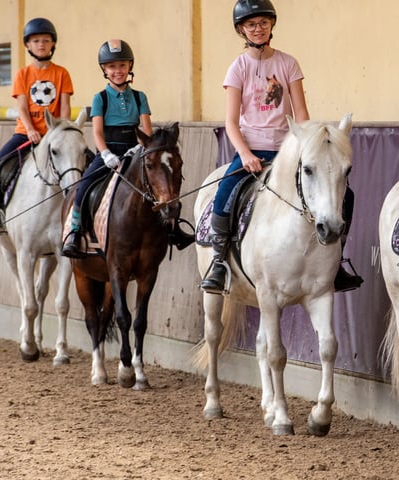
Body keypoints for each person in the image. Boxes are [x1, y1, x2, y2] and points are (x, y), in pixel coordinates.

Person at [200, 0, 363, 294]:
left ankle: (334, 262)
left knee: (345, 195)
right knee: (224, 193)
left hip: (288, 152)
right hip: (252, 153)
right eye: (251, 25)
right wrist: (246, 155)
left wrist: (306, 148)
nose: (258, 29)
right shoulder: (238, 68)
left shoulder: (289, 64)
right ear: (242, 30)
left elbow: (301, 115)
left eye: (263, 23)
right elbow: (231, 124)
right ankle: (219, 262)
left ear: (272, 25)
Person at [61, 39, 194, 257]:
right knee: (84, 185)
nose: (118, 71)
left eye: (122, 65)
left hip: (135, 150)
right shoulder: (100, 98)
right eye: (112, 66)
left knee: (164, 183)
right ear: (104, 69)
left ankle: (173, 229)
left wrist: (142, 149)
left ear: (130, 66)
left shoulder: (140, 96)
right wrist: (105, 154)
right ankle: (75, 231)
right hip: (108, 151)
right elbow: (97, 133)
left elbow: (148, 132)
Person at [0, 18, 73, 235]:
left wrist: (61, 130)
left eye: (46, 40)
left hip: (54, 133)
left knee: (82, 162)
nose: (41, 44)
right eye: (36, 41)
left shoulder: (62, 73)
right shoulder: (23, 74)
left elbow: (66, 107)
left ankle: (81, 214)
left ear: (53, 44)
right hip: (26, 133)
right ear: (28, 45)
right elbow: (22, 107)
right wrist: (31, 129)